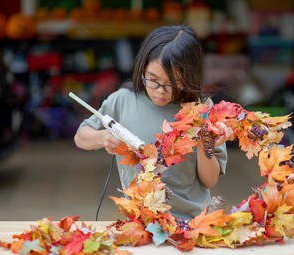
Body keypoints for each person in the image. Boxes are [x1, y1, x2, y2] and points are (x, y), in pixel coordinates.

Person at [74, 25, 234, 219]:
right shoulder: (123, 100)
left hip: (192, 222)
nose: (160, 91)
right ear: (142, 68)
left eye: (172, 84)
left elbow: (209, 181)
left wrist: (203, 143)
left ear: (189, 77)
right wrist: (103, 137)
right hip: (141, 221)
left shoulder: (202, 109)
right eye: (153, 80)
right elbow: (81, 137)